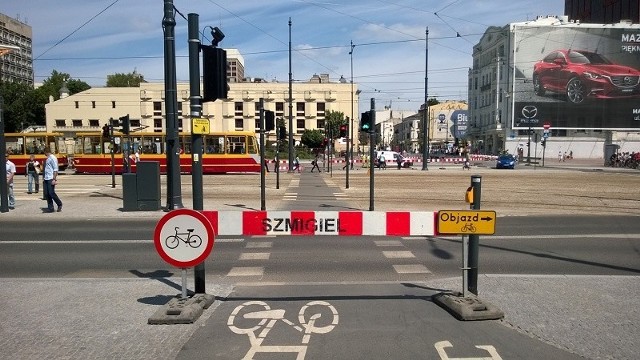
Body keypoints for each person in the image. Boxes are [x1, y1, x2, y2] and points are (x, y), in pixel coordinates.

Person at [43, 146, 63, 213]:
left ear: (46, 152)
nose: (44, 154)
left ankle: (59, 204)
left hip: (51, 178)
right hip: (46, 178)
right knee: (47, 193)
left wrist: (54, 179)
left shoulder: (53, 158)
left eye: (44, 153)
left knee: (51, 193)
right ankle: (50, 208)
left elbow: (55, 169)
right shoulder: (48, 158)